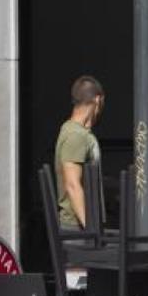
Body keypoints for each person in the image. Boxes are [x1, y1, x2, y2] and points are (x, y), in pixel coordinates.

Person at [54, 75, 104, 229]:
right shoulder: (75, 135)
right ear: (97, 100)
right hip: (77, 229)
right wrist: (91, 230)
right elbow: (72, 184)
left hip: (83, 228)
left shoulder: (79, 133)